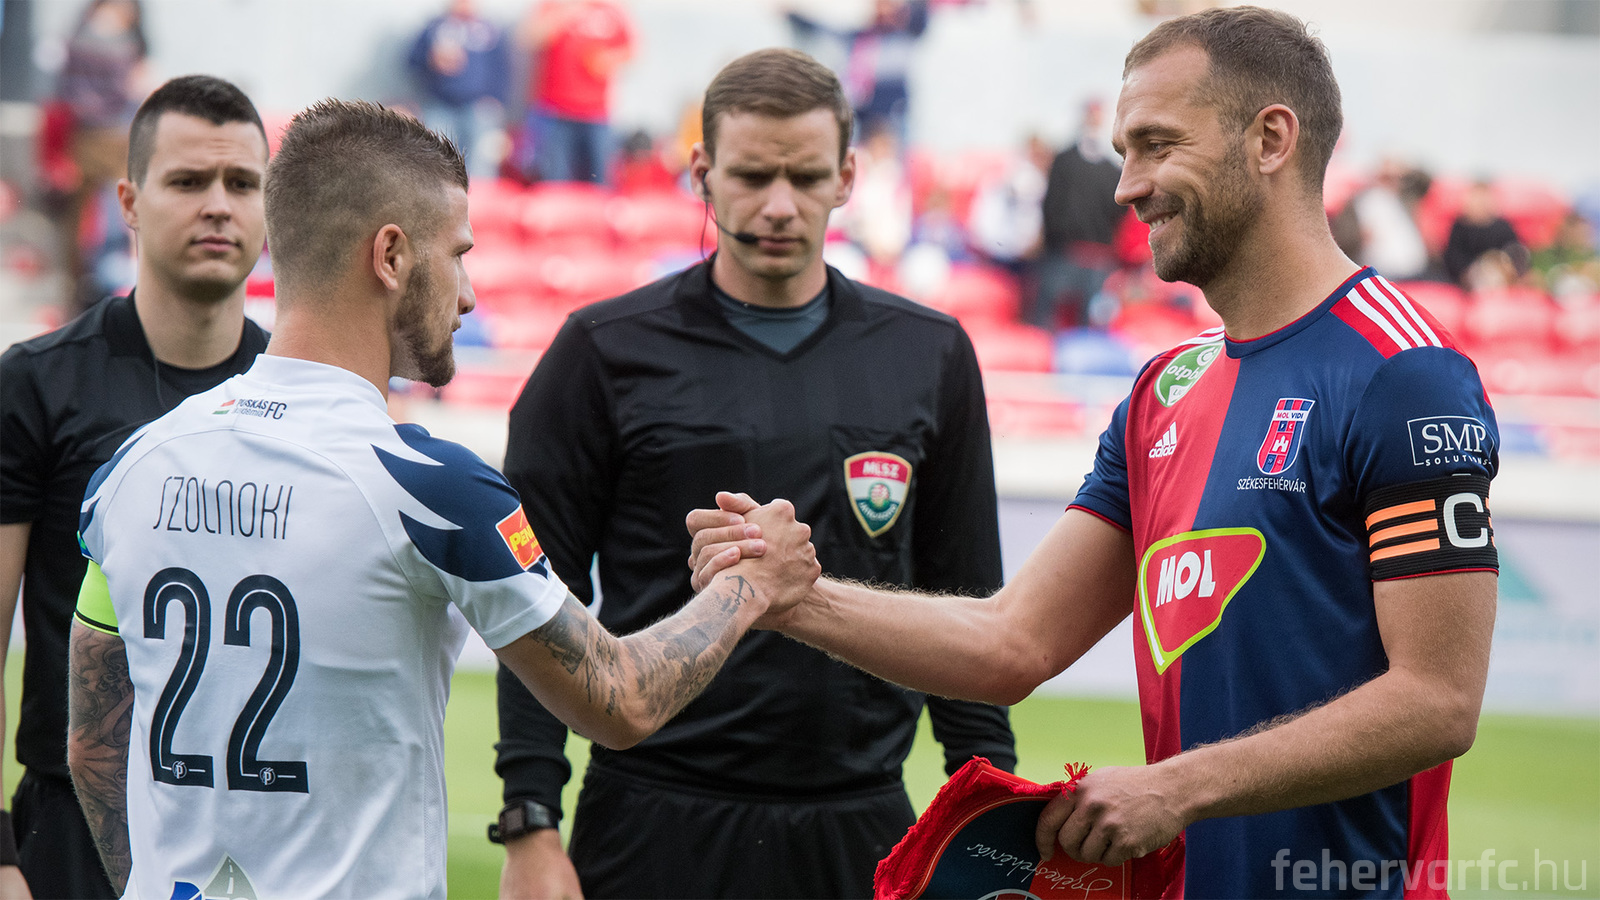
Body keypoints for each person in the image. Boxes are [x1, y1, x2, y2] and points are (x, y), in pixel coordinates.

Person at [689, 9, 1499, 898]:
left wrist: (1177, 788)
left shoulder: (1404, 374)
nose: (1126, 186)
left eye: (1155, 145)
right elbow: (1013, 642)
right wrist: (796, 599)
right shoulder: (1164, 392)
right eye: (1123, 151)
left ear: (1270, 139)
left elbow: (1437, 701)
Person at [64, 98, 818, 899]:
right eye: (458, 254)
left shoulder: (133, 467)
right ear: (391, 255)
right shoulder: (428, 487)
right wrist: (750, 584)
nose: (468, 293)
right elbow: (621, 699)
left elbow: (92, 747)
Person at [494, 47, 1015, 899]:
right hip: (652, 821)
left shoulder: (930, 354)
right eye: (751, 175)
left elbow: (966, 600)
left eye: (805, 177)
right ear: (701, 171)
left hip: (861, 821)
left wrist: (990, 814)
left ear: (847, 177)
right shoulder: (602, 352)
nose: (779, 204)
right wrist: (530, 819)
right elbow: (537, 603)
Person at [0, 74, 271, 900]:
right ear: (129, 202)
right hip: (74, 832)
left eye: (242, 183)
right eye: (188, 181)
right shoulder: (38, 385)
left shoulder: (308, 398)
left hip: (259, 837)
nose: (218, 205)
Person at [51, 0, 149, 315]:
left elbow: (63, 87)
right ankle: (136, 290)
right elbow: (134, 86)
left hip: (83, 133)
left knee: (80, 217)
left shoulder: (78, 34)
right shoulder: (122, 38)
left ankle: (74, 293)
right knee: (129, 209)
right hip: (115, 133)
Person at [515, 0, 636, 184]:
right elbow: (528, 38)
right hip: (555, 111)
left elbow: (632, 50)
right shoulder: (555, 5)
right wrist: (568, 10)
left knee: (599, 180)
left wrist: (607, 59)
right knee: (555, 179)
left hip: (597, 113)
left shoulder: (610, 9)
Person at [1034, 99, 1125, 329]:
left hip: (1096, 257)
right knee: (1048, 321)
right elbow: (1052, 207)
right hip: (1066, 253)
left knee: (1089, 326)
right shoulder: (1066, 161)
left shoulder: (1111, 169)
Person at [406, 0, 511, 179]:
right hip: (441, 106)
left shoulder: (489, 31)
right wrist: (431, 60)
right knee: (438, 159)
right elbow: (412, 62)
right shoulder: (435, 28)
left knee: (482, 162)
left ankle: (480, 196)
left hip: (480, 107)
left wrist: (497, 100)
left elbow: (503, 68)